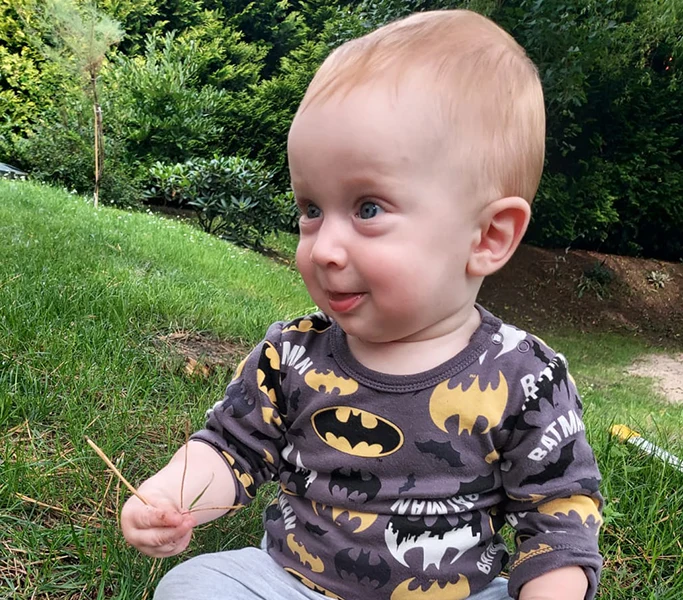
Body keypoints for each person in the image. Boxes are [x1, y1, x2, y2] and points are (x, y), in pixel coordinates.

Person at [121, 9, 603, 600]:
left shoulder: (525, 377)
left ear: (487, 237)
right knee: (193, 585)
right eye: (311, 209)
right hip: (295, 585)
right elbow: (230, 449)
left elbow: (558, 514)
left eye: (368, 209)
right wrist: (172, 496)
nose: (324, 248)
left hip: (459, 592)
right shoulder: (291, 355)